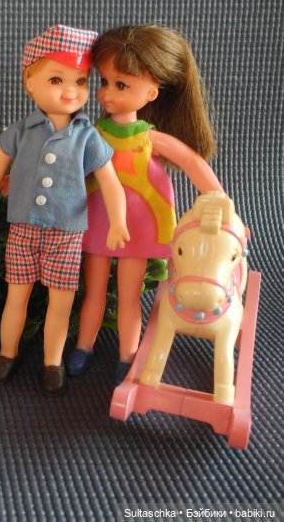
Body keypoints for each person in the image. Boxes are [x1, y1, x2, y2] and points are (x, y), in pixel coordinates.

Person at [0, 25, 128, 395]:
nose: (71, 91)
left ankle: (52, 361)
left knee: (60, 304)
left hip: (66, 234)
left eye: (81, 81)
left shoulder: (87, 136)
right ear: (29, 83)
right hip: (23, 230)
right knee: (15, 297)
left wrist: (118, 220)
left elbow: (111, 183)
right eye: (56, 79)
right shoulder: (21, 131)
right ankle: (7, 352)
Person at [69, 25, 224, 384]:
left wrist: (219, 202)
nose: (107, 93)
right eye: (104, 82)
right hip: (96, 219)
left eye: (121, 85)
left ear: (151, 92)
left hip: (137, 226)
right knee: (93, 292)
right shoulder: (94, 134)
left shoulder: (148, 138)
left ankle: (128, 354)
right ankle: (83, 346)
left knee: (129, 295)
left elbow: (192, 163)